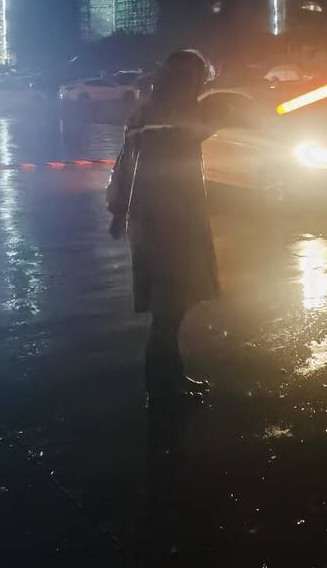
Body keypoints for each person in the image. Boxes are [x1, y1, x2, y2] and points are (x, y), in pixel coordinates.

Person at [107, 49, 218, 404]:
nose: (201, 85)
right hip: (170, 223)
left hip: (154, 221)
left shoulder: (150, 111)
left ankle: (171, 379)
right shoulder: (171, 116)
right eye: (198, 78)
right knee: (169, 310)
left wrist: (117, 210)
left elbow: (123, 164)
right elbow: (186, 137)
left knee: (170, 309)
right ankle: (162, 387)